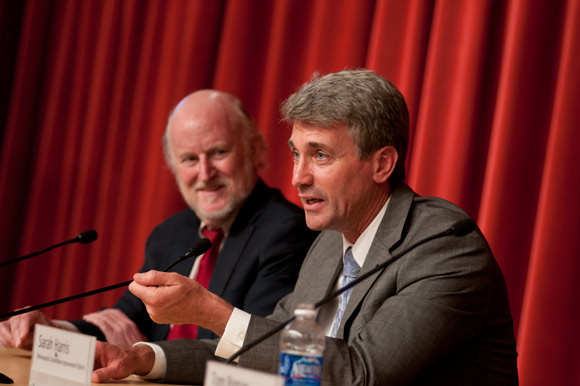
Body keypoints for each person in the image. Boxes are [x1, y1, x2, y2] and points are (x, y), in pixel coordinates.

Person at [90, 70, 519, 385]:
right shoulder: (330, 245)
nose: (298, 177)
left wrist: (211, 312)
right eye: (296, 154)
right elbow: (261, 349)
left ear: (382, 164)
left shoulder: (444, 244)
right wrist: (144, 358)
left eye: (321, 156)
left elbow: (360, 374)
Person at [0, 90, 318, 349]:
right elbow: (128, 320)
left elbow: (254, 345)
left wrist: (145, 353)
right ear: (173, 166)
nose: (205, 174)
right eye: (190, 159)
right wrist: (53, 331)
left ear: (255, 150)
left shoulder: (286, 230)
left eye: (219, 153)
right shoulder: (171, 233)